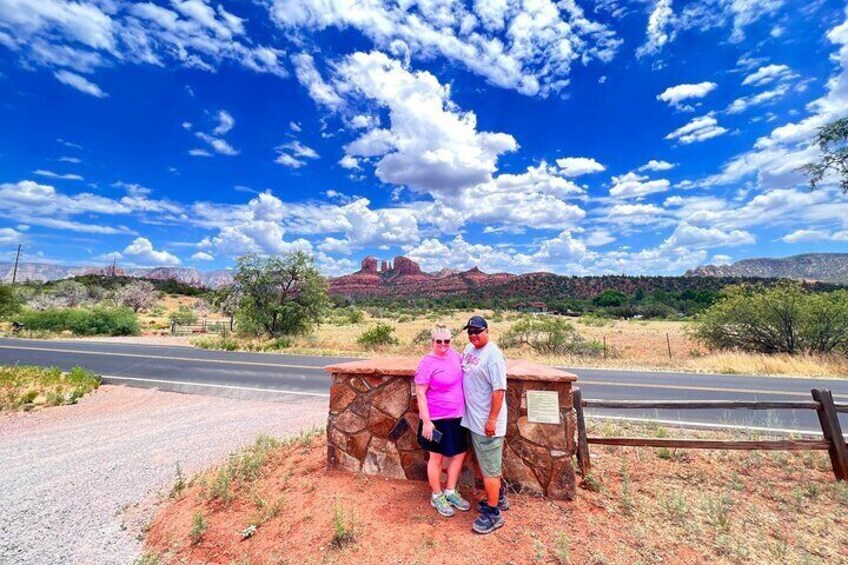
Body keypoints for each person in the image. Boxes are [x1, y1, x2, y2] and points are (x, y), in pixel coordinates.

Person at [415, 324, 472, 518]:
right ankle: (437, 495)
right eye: (439, 341)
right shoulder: (427, 362)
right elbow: (420, 393)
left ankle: (450, 491)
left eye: (446, 341)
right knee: (436, 457)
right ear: (432, 342)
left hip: (457, 416)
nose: (443, 344)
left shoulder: (456, 356)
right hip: (436, 419)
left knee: (459, 454)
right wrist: (426, 421)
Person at [460, 315, 509, 535]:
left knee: (489, 468)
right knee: (484, 464)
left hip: (486, 422)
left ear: (487, 331)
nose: (473, 335)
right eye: (470, 331)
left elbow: (499, 390)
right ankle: (497, 498)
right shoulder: (469, 350)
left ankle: (493, 514)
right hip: (473, 419)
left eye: (477, 331)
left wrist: (492, 420)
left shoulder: (493, 355)